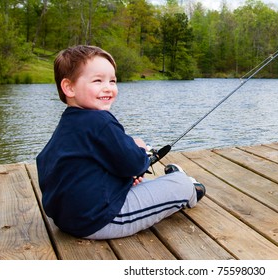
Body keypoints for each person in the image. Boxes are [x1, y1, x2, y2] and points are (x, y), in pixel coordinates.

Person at [36, 45, 205, 239]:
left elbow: (64, 166)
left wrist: (125, 173)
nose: (108, 87)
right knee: (179, 185)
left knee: (137, 177)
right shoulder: (100, 120)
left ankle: (170, 180)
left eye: (113, 81)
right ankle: (189, 187)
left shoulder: (69, 123)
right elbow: (133, 163)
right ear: (69, 87)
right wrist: (141, 151)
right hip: (100, 220)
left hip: (66, 219)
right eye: (98, 80)